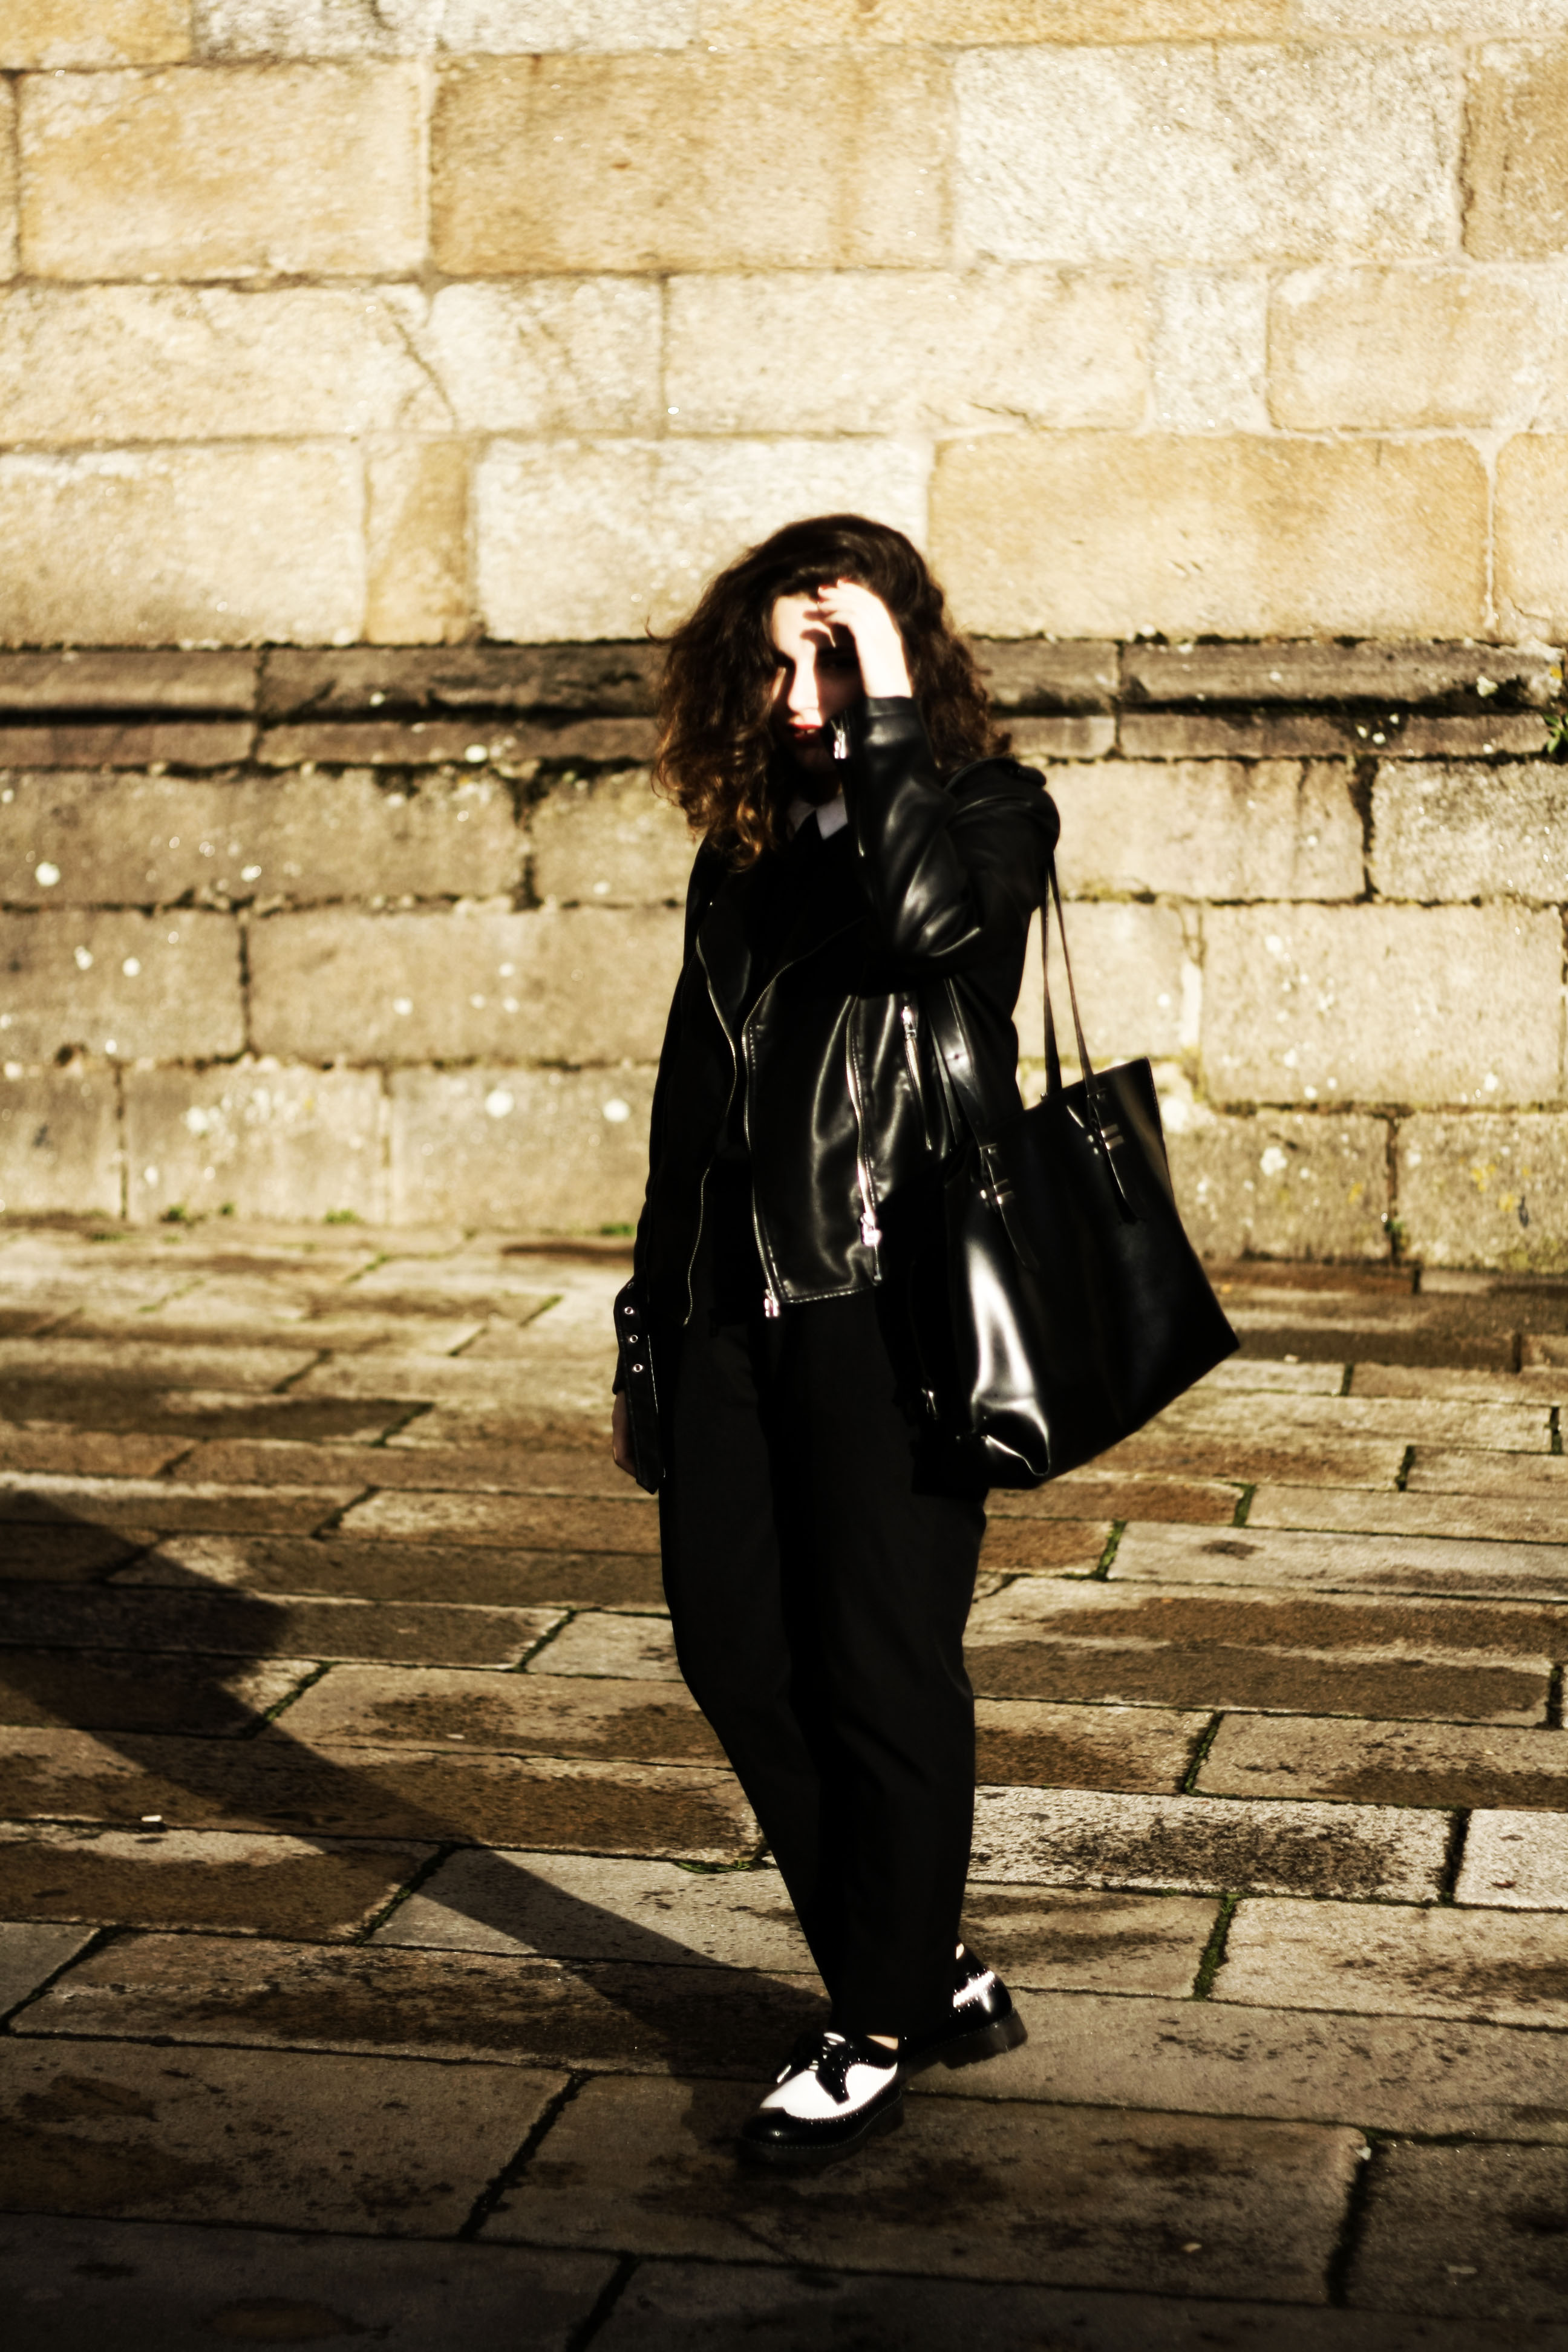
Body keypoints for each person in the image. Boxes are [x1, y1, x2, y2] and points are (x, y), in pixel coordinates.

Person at [610, 513, 1059, 2166]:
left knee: (881, 1669)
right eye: (781, 663)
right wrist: (648, 1329)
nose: (803, 699)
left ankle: (871, 2024)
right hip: (733, 1314)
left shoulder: (992, 816)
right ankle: (921, 1965)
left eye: (839, 662)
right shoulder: (737, 860)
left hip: (893, 1312)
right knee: (732, 1649)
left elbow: (923, 923)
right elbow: (690, 1115)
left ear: (903, 668)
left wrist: (883, 704)